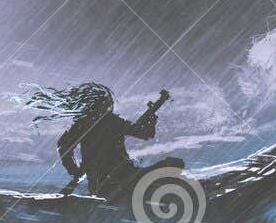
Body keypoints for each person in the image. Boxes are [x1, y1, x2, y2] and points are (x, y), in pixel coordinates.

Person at [20, 82, 182, 200]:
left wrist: (75, 171)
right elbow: (145, 134)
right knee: (174, 163)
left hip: (102, 183)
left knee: (172, 165)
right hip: (122, 177)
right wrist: (152, 120)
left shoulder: (82, 124)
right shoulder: (110, 122)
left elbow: (64, 147)